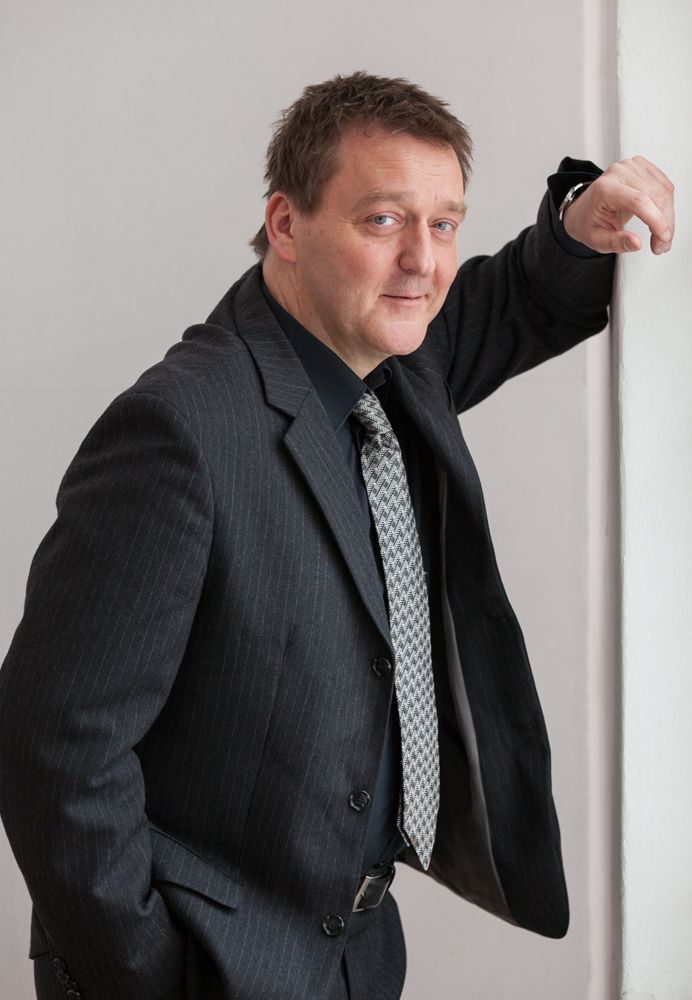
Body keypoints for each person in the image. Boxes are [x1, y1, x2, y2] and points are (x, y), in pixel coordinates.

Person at [0, 71, 674, 1000]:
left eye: (444, 224)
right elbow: (53, 745)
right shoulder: (180, 433)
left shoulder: (398, 363)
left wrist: (581, 222)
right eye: (383, 220)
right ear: (286, 224)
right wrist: (152, 973)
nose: (422, 262)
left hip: (355, 954)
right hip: (206, 966)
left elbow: (518, 296)